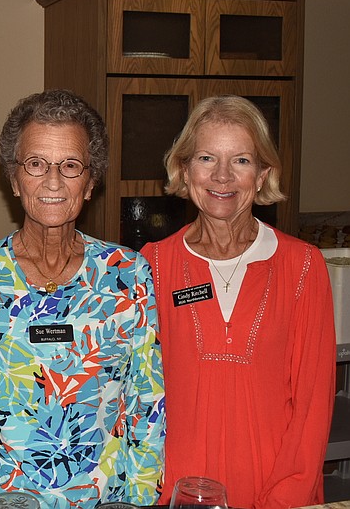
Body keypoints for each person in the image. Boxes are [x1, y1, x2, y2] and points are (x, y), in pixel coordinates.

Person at [0, 89, 165, 509]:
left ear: (90, 181)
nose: (53, 182)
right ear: (13, 178)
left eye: (70, 166)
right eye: (36, 164)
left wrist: (138, 502)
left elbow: (147, 405)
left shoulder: (129, 272)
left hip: (109, 502)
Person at [140, 95, 336, 509]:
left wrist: (285, 499)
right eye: (207, 158)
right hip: (174, 491)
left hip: (274, 490)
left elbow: (313, 405)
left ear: (264, 174)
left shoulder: (303, 266)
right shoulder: (151, 264)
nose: (223, 176)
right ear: (184, 169)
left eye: (242, 161)